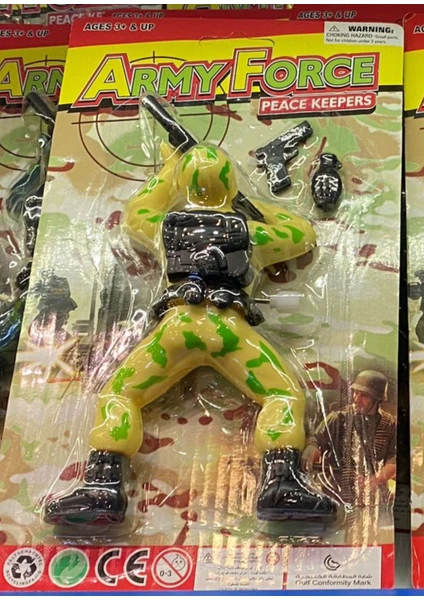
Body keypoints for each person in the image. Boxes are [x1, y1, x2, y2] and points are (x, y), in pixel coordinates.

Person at [301, 370, 396, 506]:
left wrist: (373, 481)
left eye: (364, 395)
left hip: (374, 499)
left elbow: (395, 460)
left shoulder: (389, 424)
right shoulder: (338, 418)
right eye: (356, 392)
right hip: (337, 495)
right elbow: (317, 440)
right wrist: (311, 450)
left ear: (377, 399)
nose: (356, 399)